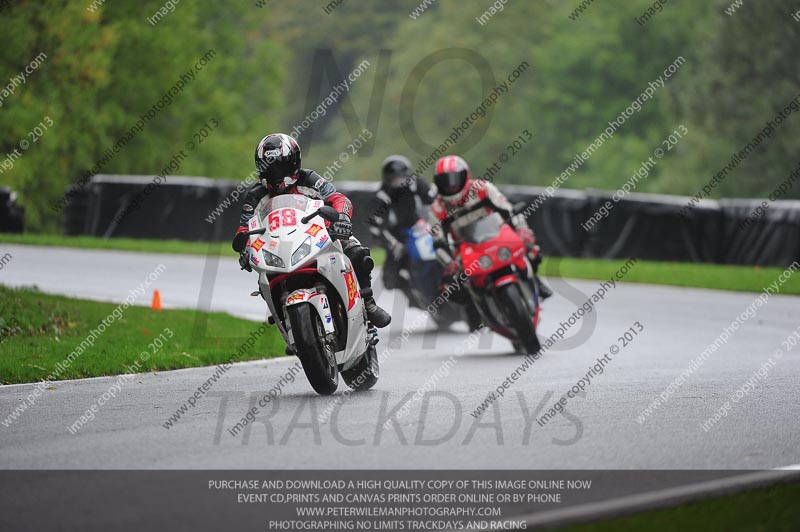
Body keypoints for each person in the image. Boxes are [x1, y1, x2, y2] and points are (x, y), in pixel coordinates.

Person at [233, 133, 391, 328]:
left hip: (316, 234)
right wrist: (245, 247)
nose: (275, 173)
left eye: (280, 166)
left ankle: (368, 302)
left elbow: (339, 199)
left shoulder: (310, 179)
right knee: (264, 280)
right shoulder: (256, 195)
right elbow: (244, 226)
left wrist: (341, 218)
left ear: (293, 162)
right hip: (276, 245)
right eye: (269, 168)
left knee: (355, 250)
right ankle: (290, 326)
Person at [428, 155, 553, 311]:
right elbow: (437, 242)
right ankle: (477, 311)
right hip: (466, 248)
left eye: (454, 179)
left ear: (465, 176)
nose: (451, 186)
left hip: (496, 235)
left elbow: (508, 209)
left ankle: (537, 282)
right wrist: (450, 263)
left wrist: (522, 228)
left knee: (532, 250)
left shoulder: (482, 188)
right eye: (445, 181)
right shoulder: (437, 208)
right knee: (452, 287)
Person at [367, 155, 436, 292]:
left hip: (419, 229)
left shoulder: (415, 183)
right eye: (396, 179)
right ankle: (412, 291)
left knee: (443, 248)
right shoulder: (381, 196)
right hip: (396, 237)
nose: (400, 182)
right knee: (389, 280)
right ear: (388, 178)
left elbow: (432, 199)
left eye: (403, 178)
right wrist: (393, 244)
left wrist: (433, 222)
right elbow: (376, 227)